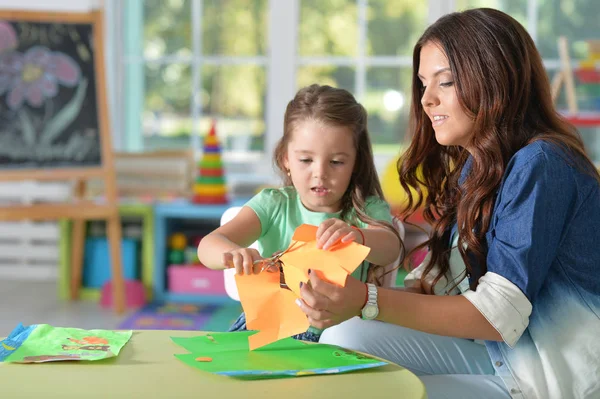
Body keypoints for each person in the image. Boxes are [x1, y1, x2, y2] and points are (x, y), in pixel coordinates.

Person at [295, 8, 600, 399]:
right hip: (503, 356)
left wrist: (365, 300)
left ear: (494, 80)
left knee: (374, 387)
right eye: (423, 84)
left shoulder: (542, 163)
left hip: (548, 379)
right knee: (343, 335)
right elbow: (441, 293)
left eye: (446, 82)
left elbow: (496, 314)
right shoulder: (480, 166)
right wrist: (337, 296)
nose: (426, 100)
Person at [197, 84, 403, 342]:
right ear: (285, 158)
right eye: (306, 160)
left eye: (337, 162)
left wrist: (359, 236)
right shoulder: (274, 205)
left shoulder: (367, 210)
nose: (320, 173)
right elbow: (207, 246)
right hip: (270, 329)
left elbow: (391, 247)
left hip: (338, 336)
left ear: (356, 162)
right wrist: (232, 253)